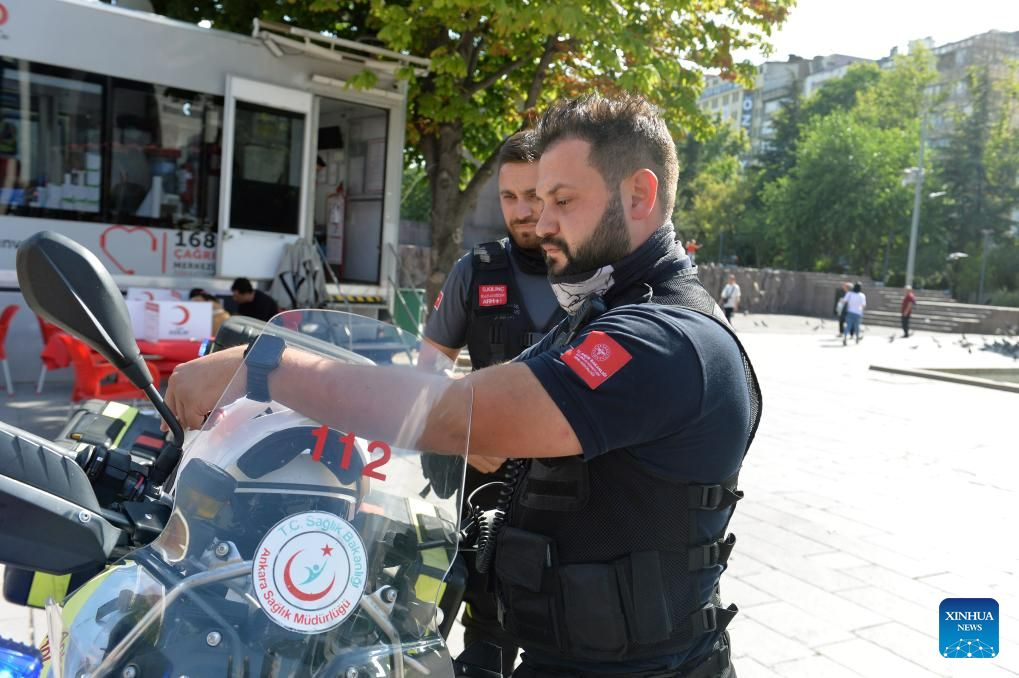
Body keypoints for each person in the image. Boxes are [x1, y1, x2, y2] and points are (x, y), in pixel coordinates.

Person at [165, 93, 761, 677]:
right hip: (564, 653)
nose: (542, 221)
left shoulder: (663, 338)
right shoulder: (602, 310)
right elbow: (481, 436)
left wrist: (265, 368)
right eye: (532, 199)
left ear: (639, 194)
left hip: (641, 669)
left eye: (562, 200)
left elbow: (457, 415)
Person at [421, 130, 563, 675]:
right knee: (486, 639)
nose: (524, 212)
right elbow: (426, 376)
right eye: (510, 198)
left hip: (575, 502)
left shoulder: (600, 275)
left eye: (537, 195)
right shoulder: (474, 273)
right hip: (485, 500)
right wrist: (459, 426)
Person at [842, 281, 866, 346]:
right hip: (858, 313)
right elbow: (863, 305)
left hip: (850, 312)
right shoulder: (862, 295)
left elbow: (844, 301)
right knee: (857, 327)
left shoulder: (849, 294)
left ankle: (845, 337)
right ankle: (857, 338)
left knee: (848, 325)